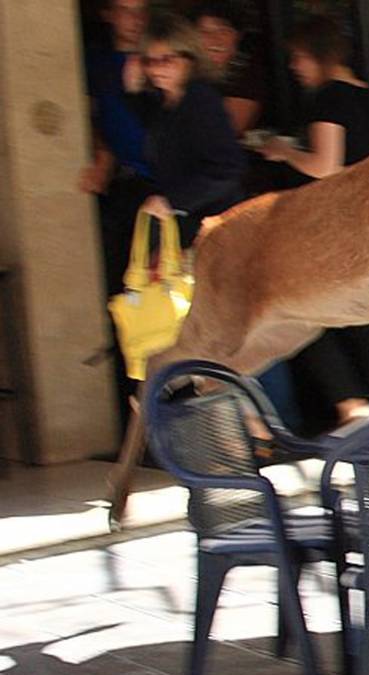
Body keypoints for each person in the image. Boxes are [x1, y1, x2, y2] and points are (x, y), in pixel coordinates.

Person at [258, 15, 369, 430]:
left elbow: (326, 166)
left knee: (308, 319)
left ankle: (350, 404)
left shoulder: (328, 99)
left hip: (334, 229)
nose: (294, 67)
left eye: (298, 58)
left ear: (316, 57)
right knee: (365, 319)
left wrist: (283, 151)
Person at [80, 0, 153, 426]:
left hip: (163, 190)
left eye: (141, 9)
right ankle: (135, 412)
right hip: (123, 191)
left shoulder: (162, 58)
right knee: (129, 300)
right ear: (108, 13)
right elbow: (84, 113)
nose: (136, 18)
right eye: (126, 9)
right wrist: (101, 154)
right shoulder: (96, 63)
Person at [129, 14, 246, 248]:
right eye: (150, 61)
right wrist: (132, 89)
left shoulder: (200, 100)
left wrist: (172, 201)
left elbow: (228, 169)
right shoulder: (164, 102)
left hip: (211, 227)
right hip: (183, 222)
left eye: (167, 59)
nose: (156, 69)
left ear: (189, 59)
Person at [192, 0, 267, 138]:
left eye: (223, 31)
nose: (215, 39)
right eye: (204, 32)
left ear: (238, 36)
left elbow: (226, 130)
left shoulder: (246, 72)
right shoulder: (188, 70)